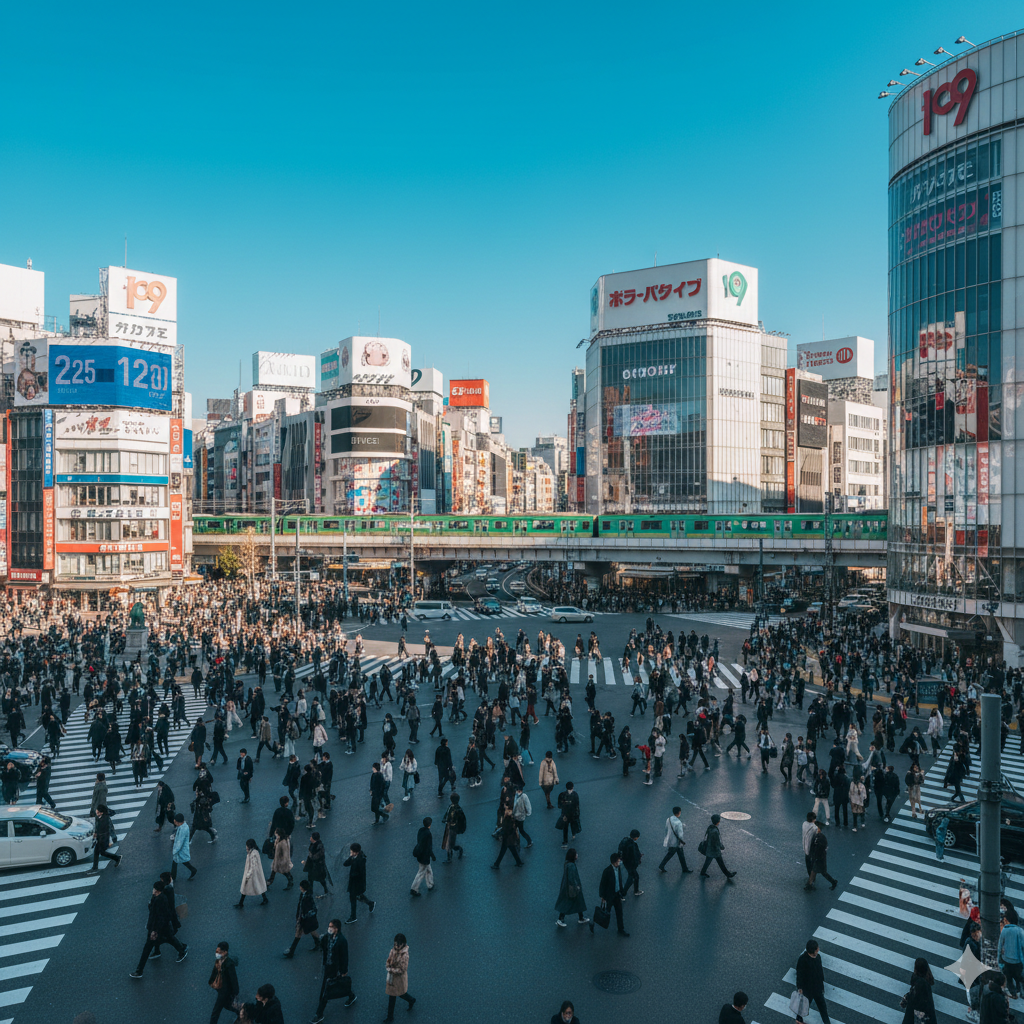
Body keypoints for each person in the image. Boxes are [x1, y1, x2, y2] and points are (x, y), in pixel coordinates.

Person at [129, 880, 188, 978]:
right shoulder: (158, 897)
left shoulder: (160, 900)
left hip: (157, 928)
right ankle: (181, 949)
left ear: (157, 890)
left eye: (154, 889)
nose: (153, 890)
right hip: (161, 927)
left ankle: (139, 970)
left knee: (147, 947)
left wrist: (154, 931)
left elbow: (159, 917)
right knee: (169, 939)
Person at [311, 918, 357, 1022]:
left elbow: (344, 957)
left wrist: (344, 970)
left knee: (326, 990)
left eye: (331, 927)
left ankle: (319, 1014)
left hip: (335, 968)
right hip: (328, 966)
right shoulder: (328, 937)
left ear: (336, 929)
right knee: (338, 985)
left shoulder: (342, 941)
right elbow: (323, 945)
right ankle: (351, 995)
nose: (329, 928)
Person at [591, 851, 628, 936]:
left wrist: (621, 891)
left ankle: (621, 929)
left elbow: (619, 880)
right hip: (610, 896)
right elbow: (602, 884)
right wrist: (602, 896)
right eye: (619, 861)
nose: (620, 862)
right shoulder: (607, 871)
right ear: (614, 862)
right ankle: (594, 923)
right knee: (605, 913)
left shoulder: (617, 868)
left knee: (619, 913)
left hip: (617, 894)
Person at [796, 939, 831, 1024]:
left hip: (818, 988)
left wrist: (821, 985)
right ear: (814, 950)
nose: (818, 949)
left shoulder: (818, 957)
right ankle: (799, 1019)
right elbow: (799, 975)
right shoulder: (803, 960)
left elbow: (820, 972)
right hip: (808, 990)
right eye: (817, 948)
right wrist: (800, 988)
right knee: (805, 1006)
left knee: (823, 1008)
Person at [283, 879, 322, 956]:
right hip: (305, 919)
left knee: (298, 933)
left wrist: (302, 917)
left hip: (305, 919)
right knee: (312, 931)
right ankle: (319, 943)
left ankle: (291, 951)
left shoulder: (307, 897)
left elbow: (307, 909)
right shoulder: (304, 895)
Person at [383, 933, 416, 1021]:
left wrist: (391, 970)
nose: (396, 946)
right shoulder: (393, 950)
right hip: (392, 977)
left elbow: (402, 970)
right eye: (395, 944)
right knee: (396, 995)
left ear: (403, 944)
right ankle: (411, 1000)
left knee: (397, 994)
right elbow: (389, 959)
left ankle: (390, 1017)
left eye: (398, 944)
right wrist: (388, 965)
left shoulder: (405, 955)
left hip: (398, 978)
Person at [208, 940, 240, 1023]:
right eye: (217, 951)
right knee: (227, 1005)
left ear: (225, 952)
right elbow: (215, 971)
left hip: (225, 991)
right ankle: (241, 1012)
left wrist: (235, 993)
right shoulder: (219, 960)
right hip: (221, 988)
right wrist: (211, 981)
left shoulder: (229, 964)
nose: (217, 953)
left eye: (220, 952)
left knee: (216, 1010)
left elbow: (234, 979)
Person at [554, 848, 589, 926]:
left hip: (567, 887)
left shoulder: (567, 864)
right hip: (572, 888)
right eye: (576, 854)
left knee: (576, 902)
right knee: (572, 902)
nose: (577, 855)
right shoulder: (571, 866)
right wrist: (576, 886)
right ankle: (561, 919)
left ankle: (580, 917)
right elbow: (571, 878)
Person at [343, 843, 375, 924]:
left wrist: (353, 875)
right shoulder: (355, 857)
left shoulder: (360, 860)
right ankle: (370, 903)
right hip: (355, 883)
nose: (350, 852)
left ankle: (353, 917)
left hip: (356, 883)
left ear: (356, 852)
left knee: (353, 898)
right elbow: (345, 864)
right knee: (358, 896)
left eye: (351, 851)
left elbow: (360, 873)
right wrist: (351, 857)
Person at [900, 957, 937, 1024]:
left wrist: (906, 999)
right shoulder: (925, 982)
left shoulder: (919, 983)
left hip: (917, 1014)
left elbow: (915, 996)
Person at [699, 813, 735, 880]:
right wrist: (721, 847)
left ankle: (703, 872)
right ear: (718, 821)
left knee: (708, 861)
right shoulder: (715, 831)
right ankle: (728, 874)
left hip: (709, 849)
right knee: (720, 863)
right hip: (715, 851)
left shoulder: (710, 827)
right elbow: (717, 842)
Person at [997, 909, 1024, 998]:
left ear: (1007, 920)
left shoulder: (1005, 930)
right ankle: (1019, 989)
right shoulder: (1020, 931)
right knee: (1018, 977)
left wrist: (999, 960)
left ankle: (1013, 993)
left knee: (1009, 978)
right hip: (1018, 961)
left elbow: (1000, 946)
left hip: (1006, 960)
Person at [235, 837, 269, 907]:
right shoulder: (253, 852)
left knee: (246, 887)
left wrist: (248, 875)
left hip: (253, 874)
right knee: (258, 886)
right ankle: (265, 899)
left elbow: (253, 866)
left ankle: (241, 903)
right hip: (254, 874)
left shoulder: (253, 854)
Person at [658, 807, 692, 874]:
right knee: (672, 854)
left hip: (670, 840)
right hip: (676, 842)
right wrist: (681, 843)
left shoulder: (669, 819)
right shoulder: (678, 822)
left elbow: (666, 829)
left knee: (680, 854)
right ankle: (662, 865)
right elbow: (680, 835)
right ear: (679, 812)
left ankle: (684, 868)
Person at [89, 804, 122, 872]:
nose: (97, 813)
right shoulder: (98, 817)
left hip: (104, 838)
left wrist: (114, 838)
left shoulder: (106, 819)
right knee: (98, 852)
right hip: (99, 837)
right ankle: (95, 867)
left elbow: (111, 829)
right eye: (96, 811)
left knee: (101, 852)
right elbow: (97, 825)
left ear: (102, 812)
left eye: (98, 812)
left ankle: (117, 858)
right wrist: (95, 832)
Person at [807, 820, 837, 891]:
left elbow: (821, 848)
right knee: (814, 871)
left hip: (820, 858)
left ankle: (833, 882)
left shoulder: (821, 838)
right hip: (817, 858)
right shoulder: (817, 836)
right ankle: (809, 885)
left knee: (823, 873)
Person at [410, 817, 435, 896]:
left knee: (428, 869)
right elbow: (428, 847)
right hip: (425, 856)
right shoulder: (428, 834)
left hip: (420, 854)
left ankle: (430, 884)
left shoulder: (420, 830)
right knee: (421, 872)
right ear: (430, 824)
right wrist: (432, 855)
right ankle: (414, 888)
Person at [171, 812, 197, 881]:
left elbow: (180, 842)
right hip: (182, 849)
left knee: (179, 861)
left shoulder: (183, 829)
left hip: (181, 849)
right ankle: (173, 877)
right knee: (180, 861)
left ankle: (173, 877)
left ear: (178, 822)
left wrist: (174, 851)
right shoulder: (183, 826)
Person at [441, 792, 466, 862]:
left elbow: (458, 819)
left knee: (449, 843)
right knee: (449, 843)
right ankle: (456, 851)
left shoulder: (457, 809)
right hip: (450, 827)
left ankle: (450, 858)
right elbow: (447, 814)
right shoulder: (452, 807)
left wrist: (446, 820)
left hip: (453, 828)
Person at [619, 829, 643, 895]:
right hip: (631, 864)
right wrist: (637, 862)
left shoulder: (624, 840)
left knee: (635, 877)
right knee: (632, 878)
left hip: (626, 862)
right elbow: (634, 856)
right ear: (635, 837)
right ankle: (624, 893)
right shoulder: (632, 845)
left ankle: (636, 890)